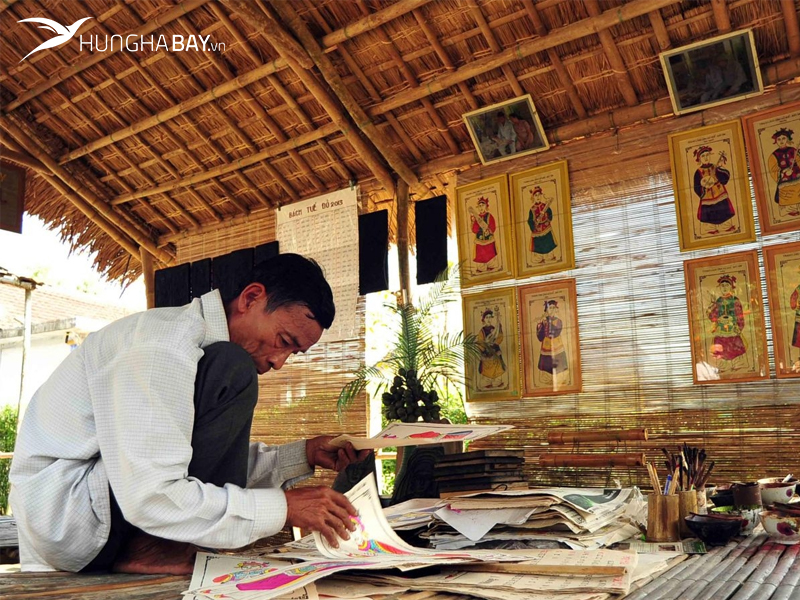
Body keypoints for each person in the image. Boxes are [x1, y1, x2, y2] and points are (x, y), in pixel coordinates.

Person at [10, 253, 370, 574]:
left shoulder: (193, 349)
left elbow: (181, 461)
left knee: (229, 370)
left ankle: (158, 545)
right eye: (284, 341)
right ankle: (154, 549)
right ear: (251, 298)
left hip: (96, 508)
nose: (279, 362)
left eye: (295, 353)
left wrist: (303, 455)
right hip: (68, 519)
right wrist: (282, 508)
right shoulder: (162, 347)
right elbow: (151, 493)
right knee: (233, 369)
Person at [693, 145, 737, 235]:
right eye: (703, 156)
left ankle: (726, 227)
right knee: (709, 213)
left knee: (723, 210)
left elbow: (725, 179)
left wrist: (719, 169)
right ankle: (710, 229)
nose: (706, 158)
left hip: (719, 193)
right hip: (707, 196)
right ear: (699, 159)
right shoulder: (698, 172)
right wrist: (703, 189)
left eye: (707, 155)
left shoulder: (715, 166)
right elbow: (696, 186)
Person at [707, 274, 747, 372]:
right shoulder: (718, 301)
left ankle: (737, 365)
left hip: (732, 328)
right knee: (720, 347)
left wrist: (739, 326)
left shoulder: (735, 300)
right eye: (722, 285)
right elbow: (713, 317)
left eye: (727, 285)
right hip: (721, 329)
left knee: (735, 346)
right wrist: (711, 307)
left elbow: (739, 315)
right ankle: (722, 367)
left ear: (731, 287)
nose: (724, 287)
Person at [768, 128, 800, 217]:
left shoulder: (793, 150)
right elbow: (773, 169)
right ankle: (790, 210)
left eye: (783, 138)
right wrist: (783, 172)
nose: (781, 141)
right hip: (784, 178)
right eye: (779, 139)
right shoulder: (774, 155)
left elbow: (799, 161)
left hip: (797, 175)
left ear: (787, 139)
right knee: (786, 195)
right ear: (776, 141)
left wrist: (794, 169)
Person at [536, 300, 569, 385]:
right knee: (546, 362)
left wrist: (548, 322)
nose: (552, 309)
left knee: (559, 362)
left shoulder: (558, 321)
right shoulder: (543, 321)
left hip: (557, 345)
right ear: (546, 310)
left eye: (554, 308)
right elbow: (540, 336)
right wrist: (541, 325)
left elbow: (556, 332)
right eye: (550, 308)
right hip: (546, 346)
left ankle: (560, 379)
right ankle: (548, 379)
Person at [476, 307, 506, 390]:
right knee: (487, 369)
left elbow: (499, 337)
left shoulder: (494, 328)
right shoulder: (482, 331)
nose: (488, 319)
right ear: (484, 319)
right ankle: (486, 383)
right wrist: (484, 350)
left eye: (490, 317)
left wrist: (495, 342)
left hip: (495, 350)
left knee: (498, 366)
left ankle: (497, 382)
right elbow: (480, 342)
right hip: (486, 351)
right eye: (487, 317)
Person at [527, 186, 558, 264]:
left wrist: (547, 219)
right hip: (537, 230)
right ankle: (539, 259)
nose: (538, 197)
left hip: (546, 227)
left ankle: (549, 257)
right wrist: (534, 225)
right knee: (538, 245)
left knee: (548, 243)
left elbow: (550, 214)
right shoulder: (532, 209)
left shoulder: (545, 206)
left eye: (539, 194)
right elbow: (529, 220)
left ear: (541, 195)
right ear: (533, 197)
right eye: (536, 195)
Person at [469, 196, 499, 273]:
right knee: (480, 254)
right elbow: (474, 229)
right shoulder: (477, 217)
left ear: (486, 206)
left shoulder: (489, 216)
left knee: (490, 252)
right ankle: (481, 268)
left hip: (488, 239)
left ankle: (491, 266)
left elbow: (493, 226)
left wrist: (489, 230)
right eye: (479, 206)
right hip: (479, 239)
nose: (481, 207)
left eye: (482, 205)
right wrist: (473, 221)